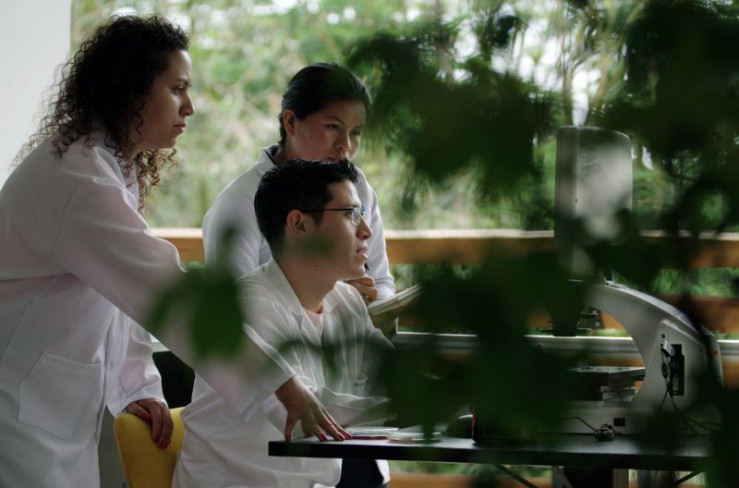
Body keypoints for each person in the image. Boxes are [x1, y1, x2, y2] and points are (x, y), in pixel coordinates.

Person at [0, 16, 345, 487]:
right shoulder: (80, 180)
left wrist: (135, 386)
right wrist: (282, 385)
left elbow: (119, 291)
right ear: (130, 90)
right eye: (177, 88)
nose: (190, 107)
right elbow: (165, 291)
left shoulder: (106, 166)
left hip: (46, 409)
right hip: (17, 413)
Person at [173, 160, 393, 488]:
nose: (366, 230)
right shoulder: (248, 305)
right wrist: (421, 409)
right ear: (299, 225)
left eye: (361, 213)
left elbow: (390, 372)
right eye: (350, 214)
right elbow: (306, 414)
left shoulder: (346, 301)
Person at [202, 63, 397, 334]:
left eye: (355, 133)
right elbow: (232, 315)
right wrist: (337, 300)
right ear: (291, 122)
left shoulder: (358, 187)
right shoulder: (239, 202)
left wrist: (372, 304)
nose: (345, 145)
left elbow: (381, 281)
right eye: (332, 127)